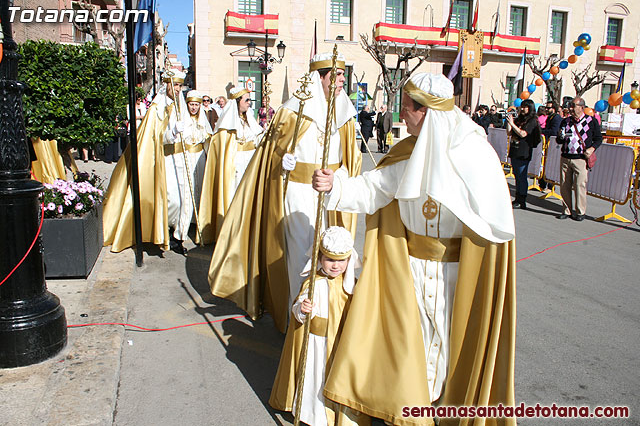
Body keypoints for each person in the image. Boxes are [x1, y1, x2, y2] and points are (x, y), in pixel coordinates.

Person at [312, 72, 516, 425]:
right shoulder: (406, 152)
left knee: (452, 345)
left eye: (407, 109)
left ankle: (444, 410)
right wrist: (335, 187)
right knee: (414, 343)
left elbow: (494, 220)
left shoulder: (475, 154)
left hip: (459, 273)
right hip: (409, 267)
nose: (401, 115)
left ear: (428, 112)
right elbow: (374, 189)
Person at [206, 52, 361, 334]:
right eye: (336, 75)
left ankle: (332, 315)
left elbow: (352, 157)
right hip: (299, 193)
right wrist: (283, 162)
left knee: (334, 253)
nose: (341, 81)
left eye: (342, 76)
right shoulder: (293, 110)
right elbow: (271, 153)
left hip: (332, 195)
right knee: (303, 256)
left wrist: (341, 178)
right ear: (320, 77)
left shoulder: (345, 113)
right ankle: (298, 318)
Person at [269, 226, 369, 426]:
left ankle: (340, 415)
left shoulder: (350, 287)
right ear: (319, 258)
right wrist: (303, 309)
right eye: (330, 259)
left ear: (349, 260)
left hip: (339, 344)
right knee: (315, 380)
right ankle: (314, 415)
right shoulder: (312, 283)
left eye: (341, 260)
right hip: (316, 344)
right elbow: (298, 310)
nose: (335, 266)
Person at [102, 69, 189, 253]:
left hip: (178, 158)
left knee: (181, 199)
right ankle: (163, 233)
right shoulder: (157, 108)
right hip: (162, 159)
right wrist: (172, 132)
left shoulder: (179, 106)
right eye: (175, 85)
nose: (178, 89)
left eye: (180, 85)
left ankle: (174, 235)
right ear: (166, 85)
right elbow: (155, 136)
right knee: (170, 199)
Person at [197, 86, 264, 244]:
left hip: (249, 164)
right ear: (237, 102)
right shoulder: (226, 128)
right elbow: (217, 148)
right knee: (234, 198)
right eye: (246, 100)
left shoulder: (249, 121)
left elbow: (255, 139)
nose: (249, 103)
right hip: (235, 168)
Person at [163, 89, 213, 253]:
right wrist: (175, 131)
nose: (194, 108)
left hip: (199, 160)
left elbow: (208, 142)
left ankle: (199, 231)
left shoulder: (202, 121)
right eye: (191, 104)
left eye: (196, 105)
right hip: (184, 161)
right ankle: (179, 236)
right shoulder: (179, 117)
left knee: (199, 195)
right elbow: (165, 139)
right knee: (186, 197)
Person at [555, 97, 602, 221]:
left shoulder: (591, 121)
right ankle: (567, 210)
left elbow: (598, 139)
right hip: (566, 156)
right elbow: (559, 139)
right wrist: (560, 136)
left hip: (580, 158)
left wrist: (592, 149)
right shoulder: (566, 121)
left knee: (579, 184)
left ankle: (580, 211)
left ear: (581, 107)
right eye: (570, 106)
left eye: (573, 106)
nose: (571, 108)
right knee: (565, 184)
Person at [506, 99, 542, 209]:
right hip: (515, 149)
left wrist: (512, 124)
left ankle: (522, 199)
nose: (522, 109)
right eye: (522, 106)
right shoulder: (519, 119)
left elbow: (523, 134)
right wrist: (509, 122)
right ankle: (517, 198)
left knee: (522, 175)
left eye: (525, 107)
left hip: (524, 151)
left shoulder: (532, 121)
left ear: (530, 108)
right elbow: (509, 132)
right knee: (517, 175)